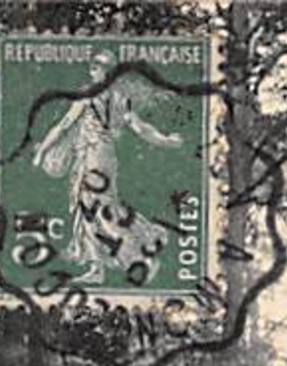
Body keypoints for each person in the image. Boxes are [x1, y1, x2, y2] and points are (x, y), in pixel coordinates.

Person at [32, 52, 182, 285]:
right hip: (107, 157)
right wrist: (166, 140)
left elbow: (63, 126)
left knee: (94, 208)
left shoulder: (87, 95)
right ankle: (129, 249)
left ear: (102, 71)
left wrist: (42, 151)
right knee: (106, 207)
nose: (91, 71)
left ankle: (134, 259)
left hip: (92, 156)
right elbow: (141, 128)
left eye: (95, 67)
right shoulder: (121, 97)